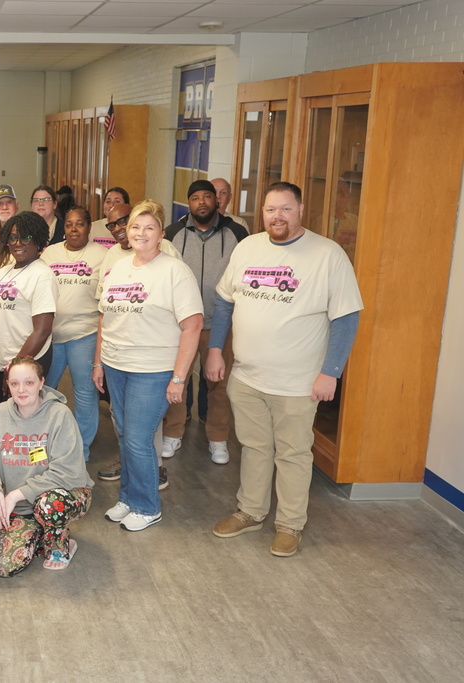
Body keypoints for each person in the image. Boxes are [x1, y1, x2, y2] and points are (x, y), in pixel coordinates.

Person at [207, 182, 362, 557]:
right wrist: (215, 349)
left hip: (298, 382)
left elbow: (346, 317)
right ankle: (251, 512)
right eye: (271, 209)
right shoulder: (248, 248)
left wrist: (332, 372)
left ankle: (290, 525)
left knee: (292, 454)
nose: (277, 216)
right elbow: (225, 301)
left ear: (301, 210)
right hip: (246, 377)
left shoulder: (328, 254)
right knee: (254, 448)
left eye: (285, 209)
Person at [93, 199, 203, 532]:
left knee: (139, 439)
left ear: (161, 234)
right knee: (126, 435)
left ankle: (147, 505)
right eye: (135, 227)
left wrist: (179, 378)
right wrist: (98, 362)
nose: (141, 233)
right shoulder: (120, 266)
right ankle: (128, 497)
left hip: (152, 369)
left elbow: (193, 325)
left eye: (149, 227)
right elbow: (104, 317)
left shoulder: (174, 270)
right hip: (116, 365)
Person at [0, 356, 94, 576]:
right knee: (4, 567)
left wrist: (15, 494)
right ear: (8, 385)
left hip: (64, 496)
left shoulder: (60, 415)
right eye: (14, 383)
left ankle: (60, 546)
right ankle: (44, 532)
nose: (21, 390)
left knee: (49, 505)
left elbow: (66, 472)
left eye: (29, 382)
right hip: (22, 508)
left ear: (41, 382)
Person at [163, 179, 249, 464]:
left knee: (218, 384)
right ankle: (173, 434)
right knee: (178, 381)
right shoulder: (173, 233)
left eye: (207, 197)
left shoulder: (237, 233)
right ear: (189, 203)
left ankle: (218, 438)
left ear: (217, 201)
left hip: (220, 323)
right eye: (196, 197)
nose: (202, 202)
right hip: (182, 325)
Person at [40, 206, 105, 461]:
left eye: (80, 224)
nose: (74, 229)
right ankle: (43, 443)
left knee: (85, 393)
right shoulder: (50, 254)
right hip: (51, 336)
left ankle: (81, 448)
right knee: (44, 390)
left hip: (84, 334)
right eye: (69, 224)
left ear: (89, 227)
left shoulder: (102, 255)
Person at [0, 211, 57, 406]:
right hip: (1, 360)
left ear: (38, 240)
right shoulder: (3, 272)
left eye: (25, 237)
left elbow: (42, 331)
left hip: (28, 361)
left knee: (24, 417)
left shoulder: (42, 275)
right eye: (13, 237)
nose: (17, 243)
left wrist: (15, 368)